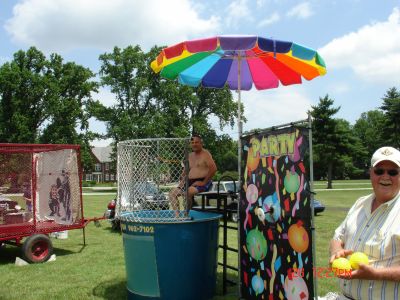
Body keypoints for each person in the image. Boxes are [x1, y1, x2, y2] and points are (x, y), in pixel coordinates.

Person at [328, 146, 400, 300]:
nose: (385, 176)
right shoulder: (360, 203)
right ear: (371, 173)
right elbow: (337, 237)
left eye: (393, 172)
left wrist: (375, 274)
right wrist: (336, 252)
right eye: (379, 171)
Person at [169, 134, 217, 212]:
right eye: (192, 142)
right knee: (172, 193)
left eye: (197, 142)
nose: (194, 144)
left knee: (188, 192)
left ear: (201, 143)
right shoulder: (189, 156)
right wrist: (181, 182)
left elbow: (214, 169)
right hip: (189, 182)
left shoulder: (206, 154)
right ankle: (177, 217)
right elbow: (185, 171)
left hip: (202, 181)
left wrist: (203, 182)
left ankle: (187, 213)